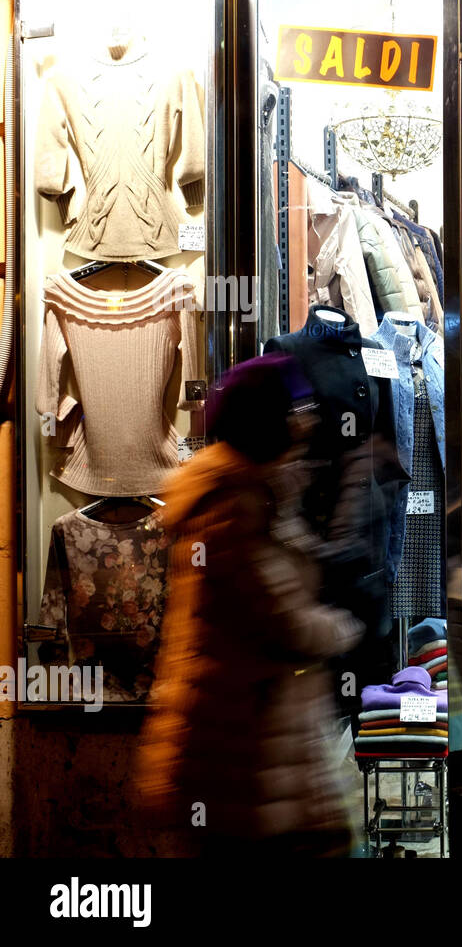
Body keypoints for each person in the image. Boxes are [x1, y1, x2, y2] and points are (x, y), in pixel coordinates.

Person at [135, 355, 365, 857]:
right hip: (234, 744)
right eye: (294, 411)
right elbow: (276, 617)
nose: (304, 423)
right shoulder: (227, 506)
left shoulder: (248, 492)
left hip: (255, 736)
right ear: (266, 422)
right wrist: (339, 630)